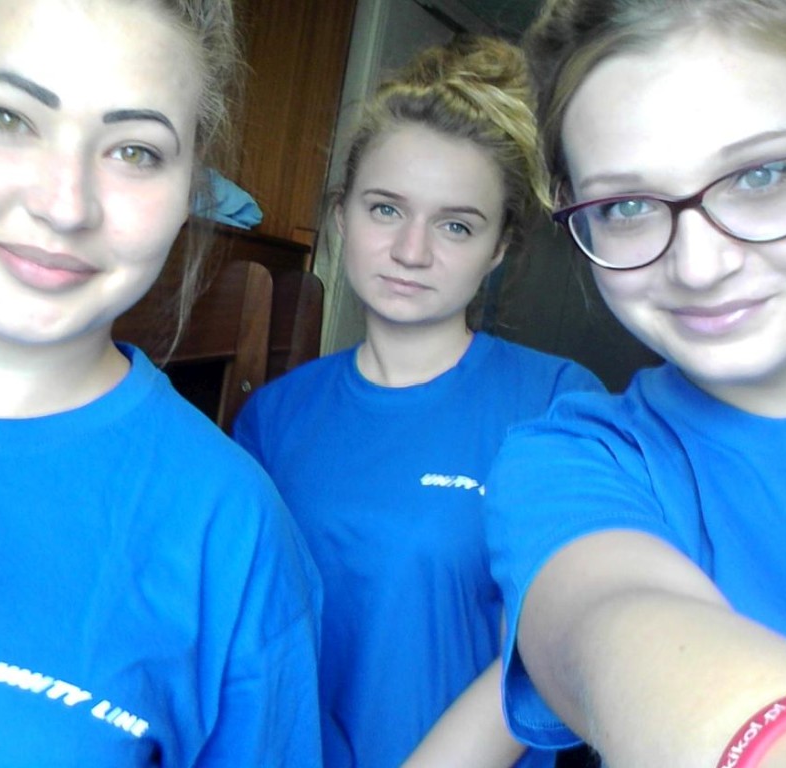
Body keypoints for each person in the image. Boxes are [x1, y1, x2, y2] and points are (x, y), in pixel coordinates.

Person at [0, 0, 323, 765]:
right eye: (8, 117)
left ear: (189, 183)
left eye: (135, 151)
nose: (64, 205)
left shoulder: (231, 531)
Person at [233, 36, 603, 768]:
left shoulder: (556, 405)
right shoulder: (271, 419)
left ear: (500, 249)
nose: (411, 251)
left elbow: (552, 651)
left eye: (456, 225)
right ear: (341, 215)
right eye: (385, 209)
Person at [483, 1, 786, 766]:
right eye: (626, 206)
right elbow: (614, 623)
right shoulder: (576, 461)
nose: (699, 267)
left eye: (761, 175)